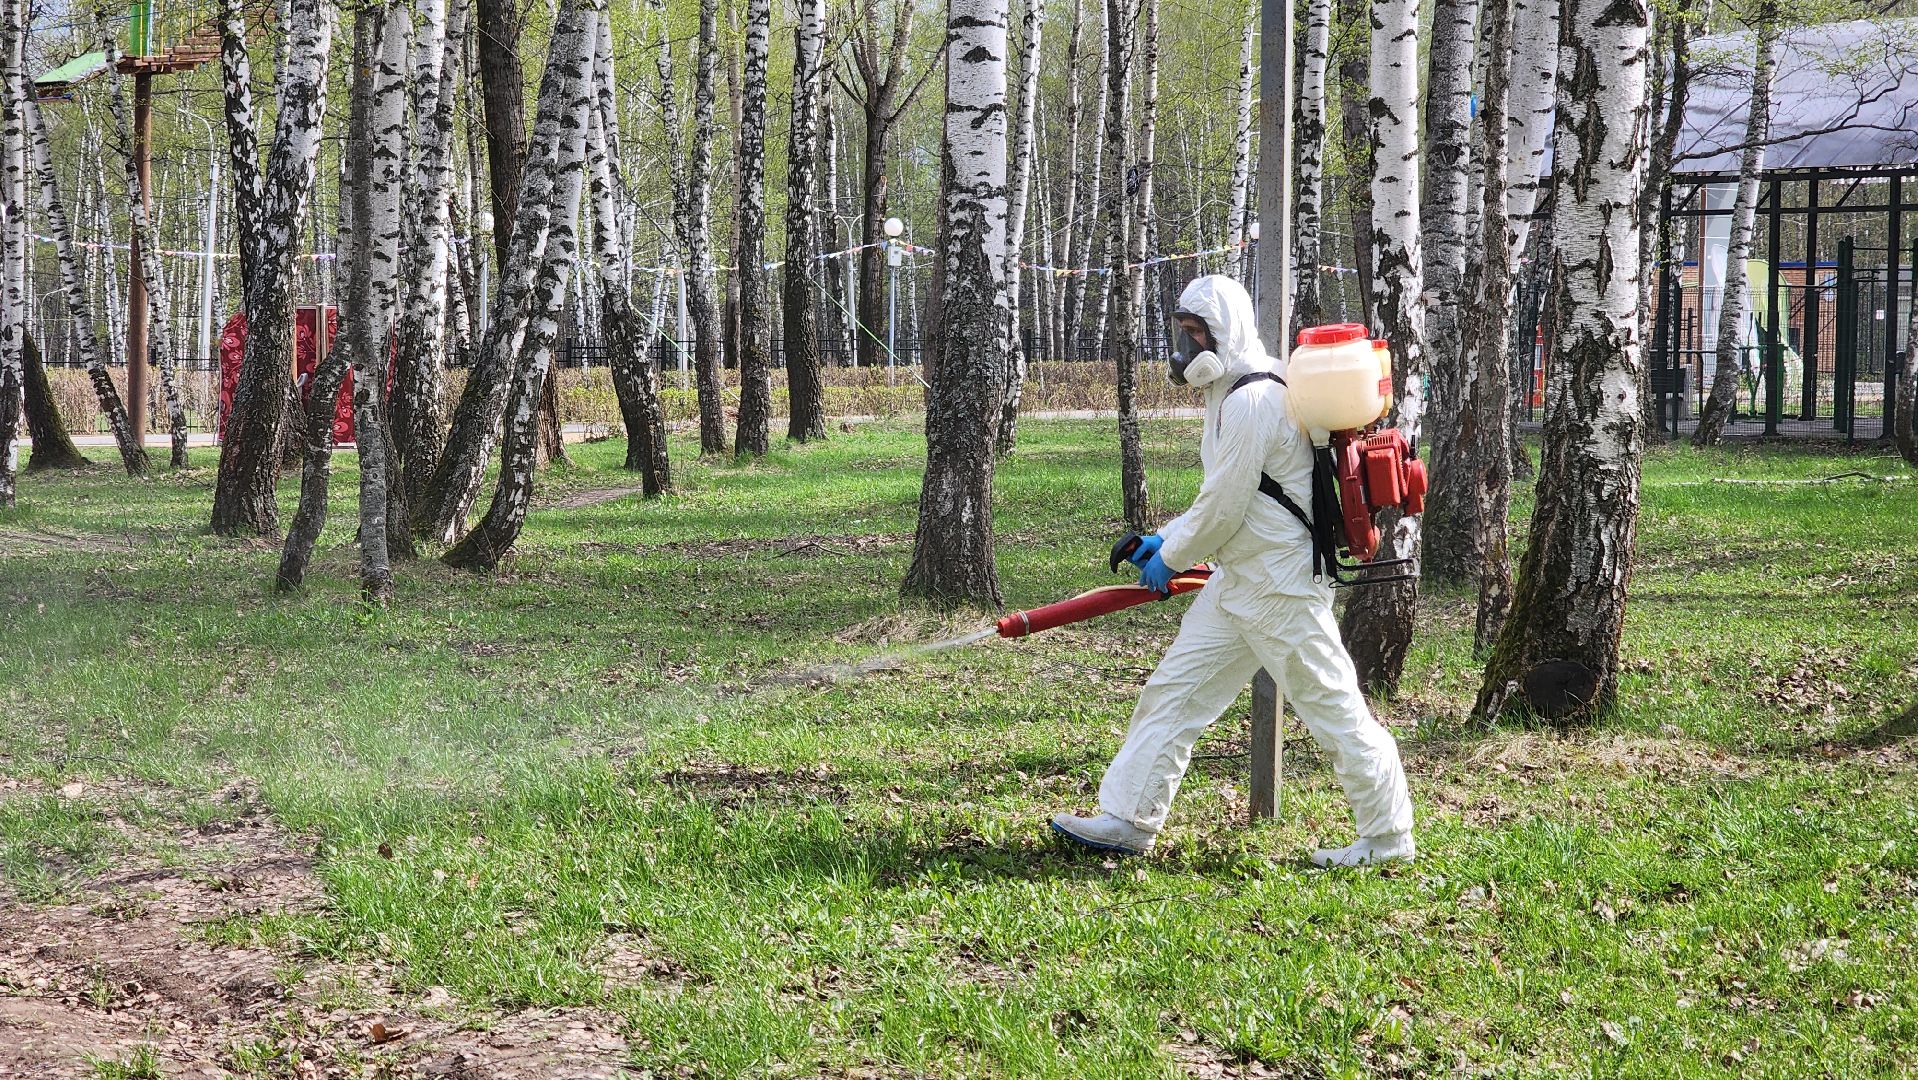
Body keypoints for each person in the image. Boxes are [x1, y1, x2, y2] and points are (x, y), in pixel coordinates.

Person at [1050, 275, 1415, 867]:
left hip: (1278, 586)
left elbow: (1225, 508)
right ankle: (1128, 818)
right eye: (1183, 333)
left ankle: (1387, 836)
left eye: (1197, 334)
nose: (1186, 348)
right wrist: (1162, 539)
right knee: (1174, 691)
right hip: (1241, 581)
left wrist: (1168, 559)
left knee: (1333, 706)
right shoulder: (1231, 387)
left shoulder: (1251, 398)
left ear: (1227, 332)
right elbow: (1221, 497)